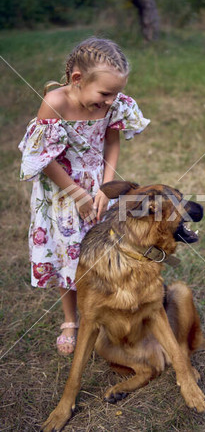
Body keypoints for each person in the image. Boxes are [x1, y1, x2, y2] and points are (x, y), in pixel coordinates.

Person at [18, 37, 150, 355]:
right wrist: (77, 194)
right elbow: (43, 158)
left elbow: (112, 143)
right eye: (105, 94)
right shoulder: (56, 102)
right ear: (77, 79)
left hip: (97, 186)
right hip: (63, 192)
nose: (110, 101)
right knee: (70, 256)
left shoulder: (111, 103)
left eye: (116, 93)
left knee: (103, 251)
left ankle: (102, 311)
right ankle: (70, 320)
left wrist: (105, 187)